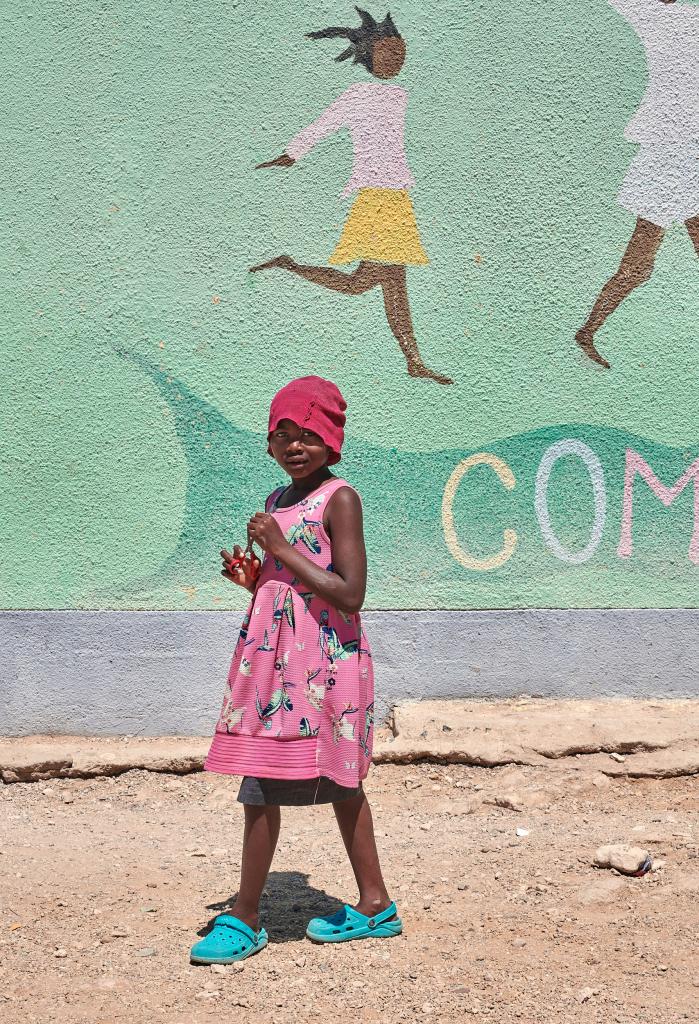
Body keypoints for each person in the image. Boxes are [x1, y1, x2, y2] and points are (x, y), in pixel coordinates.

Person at [190, 376, 402, 964]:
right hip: (275, 669)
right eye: (283, 435)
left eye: (309, 435)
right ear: (269, 444)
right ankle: (250, 914)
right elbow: (290, 582)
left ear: (332, 442)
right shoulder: (275, 503)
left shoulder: (340, 499)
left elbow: (350, 592)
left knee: (341, 783)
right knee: (259, 784)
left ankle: (367, 905)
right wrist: (256, 577)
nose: (295, 445)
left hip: (327, 668)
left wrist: (280, 550)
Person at [250, 8, 452, 386]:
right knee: (367, 283)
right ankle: (290, 266)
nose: (397, 58)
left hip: (397, 199)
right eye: (389, 52)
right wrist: (291, 154)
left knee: (386, 283)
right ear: (368, 56)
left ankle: (413, 359)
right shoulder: (358, 95)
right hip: (376, 198)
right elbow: (323, 125)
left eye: (400, 51)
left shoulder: (399, 95)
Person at [576, 0, 699, 368]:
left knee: (638, 266)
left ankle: (587, 331)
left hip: (686, 152)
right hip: (668, 153)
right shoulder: (649, 13)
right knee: (638, 267)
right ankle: (587, 331)